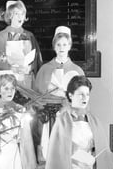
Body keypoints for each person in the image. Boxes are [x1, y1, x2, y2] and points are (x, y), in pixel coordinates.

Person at [34, 26, 84, 160]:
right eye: (58, 44)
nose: (61, 48)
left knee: (67, 155)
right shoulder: (45, 70)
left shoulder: (77, 70)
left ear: (69, 46)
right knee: (49, 154)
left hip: (69, 119)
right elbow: (37, 96)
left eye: (65, 44)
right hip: (48, 119)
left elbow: (83, 100)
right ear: (54, 47)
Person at [0, 0, 42, 88]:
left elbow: (37, 60)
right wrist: (11, 67)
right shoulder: (1, 36)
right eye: (16, 14)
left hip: (27, 81)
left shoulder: (29, 36)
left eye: (22, 14)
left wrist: (29, 67)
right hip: (8, 82)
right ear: (10, 16)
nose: (20, 17)